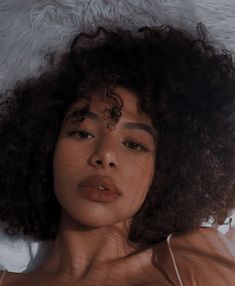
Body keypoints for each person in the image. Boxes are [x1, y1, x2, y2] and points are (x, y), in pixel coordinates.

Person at [0, 24, 234, 285]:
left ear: (166, 170)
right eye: (83, 133)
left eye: (135, 144)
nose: (105, 155)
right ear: (45, 148)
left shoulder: (187, 260)